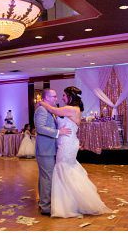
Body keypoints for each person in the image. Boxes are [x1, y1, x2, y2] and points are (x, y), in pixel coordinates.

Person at [37, 86, 111, 218]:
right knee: (64, 171)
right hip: (65, 143)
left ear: (71, 97)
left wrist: (42, 102)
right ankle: (64, 201)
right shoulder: (71, 109)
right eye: (55, 96)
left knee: (63, 170)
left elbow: (53, 110)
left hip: (66, 144)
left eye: (64, 96)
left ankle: (67, 203)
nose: (60, 98)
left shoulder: (70, 109)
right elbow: (43, 125)